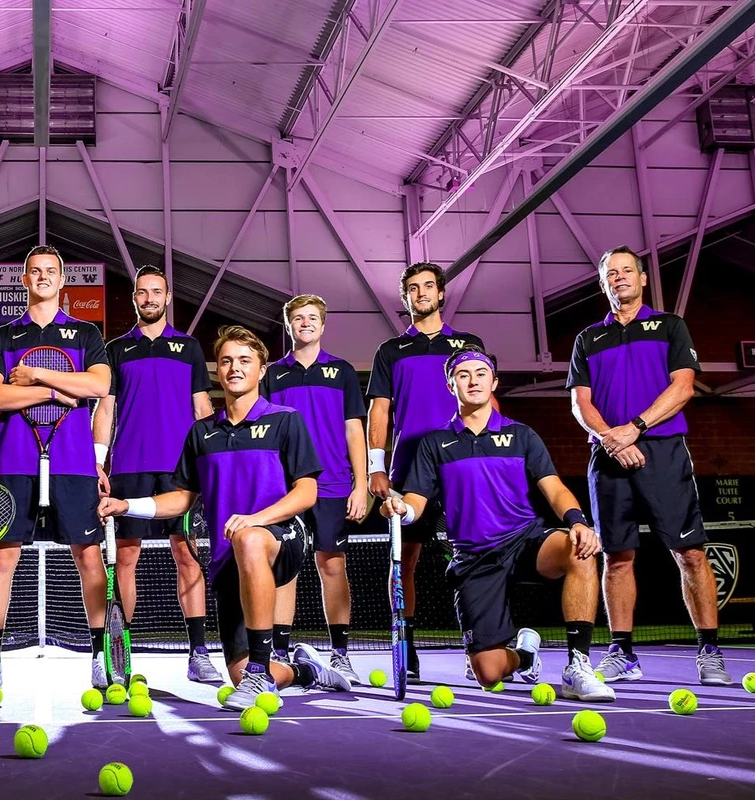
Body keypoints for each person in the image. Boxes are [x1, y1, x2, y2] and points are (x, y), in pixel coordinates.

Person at [99, 326, 352, 710]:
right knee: (238, 669)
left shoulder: (286, 421)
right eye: (228, 361)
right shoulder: (201, 433)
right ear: (218, 370)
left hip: (281, 538)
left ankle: (258, 676)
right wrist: (127, 505)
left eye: (245, 361)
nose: (236, 368)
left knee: (249, 540)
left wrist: (256, 519)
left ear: (262, 370)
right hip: (227, 560)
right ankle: (304, 671)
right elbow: (182, 498)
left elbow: (307, 492)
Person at [383, 345, 614, 702]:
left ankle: (577, 665)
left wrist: (578, 521)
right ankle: (525, 656)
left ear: (494, 382)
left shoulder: (522, 436)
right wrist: (401, 509)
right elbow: (416, 502)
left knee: (577, 547)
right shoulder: (435, 444)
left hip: (524, 540)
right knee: (489, 673)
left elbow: (553, 488)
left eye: (480, 374)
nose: (472, 381)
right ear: (450, 386)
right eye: (463, 375)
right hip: (474, 558)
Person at [568, 246, 731, 686]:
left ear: (642, 279)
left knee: (690, 553)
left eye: (626, 271)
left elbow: (684, 387)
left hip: (661, 451)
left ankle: (709, 651)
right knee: (616, 558)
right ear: (603, 284)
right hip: (607, 455)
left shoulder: (670, 327)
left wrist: (634, 429)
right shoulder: (588, 338)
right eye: (610, 274)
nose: (618, 278)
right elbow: (580, 403)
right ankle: (622, 654)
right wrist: (612, 439)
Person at [0, 245, 111, 687]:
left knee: (88, 556)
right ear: (24, 280)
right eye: (34, 271)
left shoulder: (86, 334)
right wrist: (56, 393)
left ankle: (100, 655)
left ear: (61, 279)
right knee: (3, 558)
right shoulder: (2, 337)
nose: (42, 277)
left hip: (74, 465)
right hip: (16, 463)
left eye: (50, 271)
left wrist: (35, 376)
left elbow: (97, 384)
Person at [91, 265, 222, 684]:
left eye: (156, 292)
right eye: (142, 293)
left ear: (168, 298)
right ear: (134, 299)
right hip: (128, 468)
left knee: (187, 555)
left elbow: (203, 409)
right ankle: (118, 651)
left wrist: (212, 464)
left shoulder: (189, 348)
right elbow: (105, 409)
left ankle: (199, 651)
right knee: (125, 558)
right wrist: (98, 459)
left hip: (180, 472)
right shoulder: (116, 349)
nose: (149, 298)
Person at [366, 262, 486, 680]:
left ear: (441, 294)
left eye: (428, 287)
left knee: (475, 556)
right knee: (405, 561)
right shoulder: (390, 351)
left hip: (463, 468)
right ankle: (406, 646)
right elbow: (379, 410)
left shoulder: (468, 344)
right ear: (405, 298)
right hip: (409, 471)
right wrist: (376, 467)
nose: (421, 294)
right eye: (412, 288)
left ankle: (480, 645)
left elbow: (486, 401)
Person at [262, 295, 369, 684]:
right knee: (284, 569)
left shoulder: (341, 373)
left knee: (332, 564)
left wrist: (361, 485)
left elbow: (353, 430)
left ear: (322, 326)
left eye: (312, 318)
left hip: (334, 483)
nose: (305, 323)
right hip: (286, 487)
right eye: (297, 318)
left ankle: (340, 654)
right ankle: (278, 650)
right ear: (288, 326)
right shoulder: (273, 374)